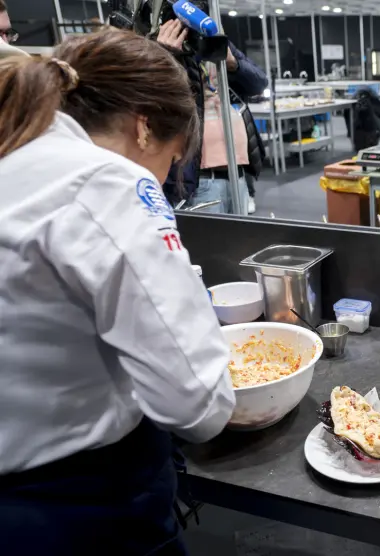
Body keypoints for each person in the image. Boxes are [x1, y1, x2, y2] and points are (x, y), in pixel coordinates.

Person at [0, 29, 234, 554]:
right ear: (144, 127)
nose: (166, 176)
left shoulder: (16, 153)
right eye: (174, 158)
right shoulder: (106, 181)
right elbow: (199, 406)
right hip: (75, 509)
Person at [157, 18, 268, 215]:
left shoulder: (218, 43)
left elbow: (259, 83)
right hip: (202, 179)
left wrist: (233, 63)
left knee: (243, 233)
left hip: (238, 175)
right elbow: (161, 101)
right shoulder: (163, 47)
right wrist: (168, 56)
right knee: (210, 234)